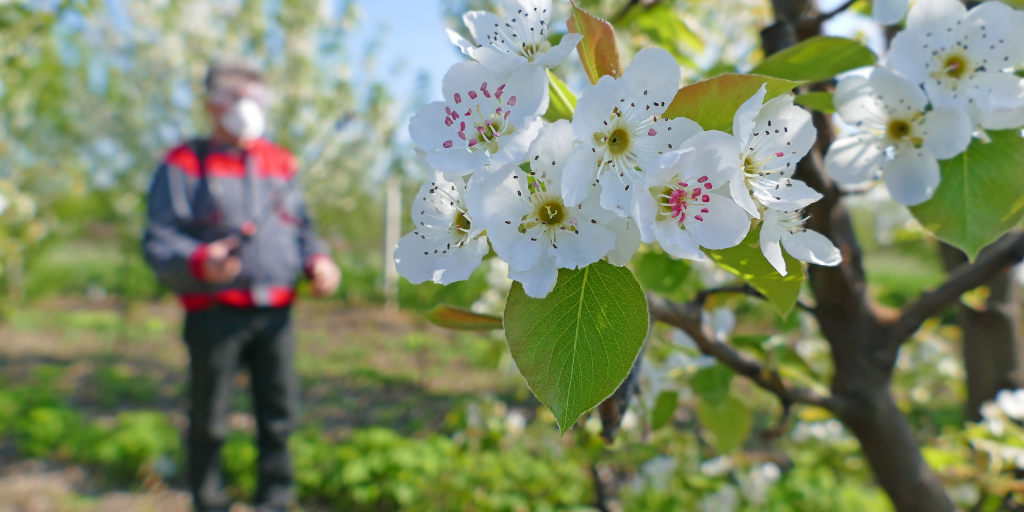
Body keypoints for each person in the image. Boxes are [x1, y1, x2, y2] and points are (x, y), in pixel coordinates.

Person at [142, 57, 341, 512]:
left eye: (257, 94)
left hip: (277, 313)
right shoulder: (185, 161)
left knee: (279, 416)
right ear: (213, 104)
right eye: (238, 95)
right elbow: (160, 237)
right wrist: (199, 258)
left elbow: (303, 228)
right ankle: (208, 500)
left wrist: (319, 258)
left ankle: (275, 500)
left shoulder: (280, 160)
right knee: (210, 418)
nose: (250, 105)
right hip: (214, 314)